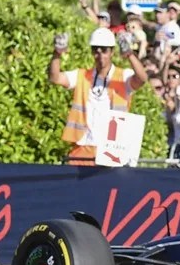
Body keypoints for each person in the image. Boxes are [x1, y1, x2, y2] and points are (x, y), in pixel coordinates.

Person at [49, 28, 147, 164]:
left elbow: (141, 78)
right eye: (96, 49)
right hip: (84, 146)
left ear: (112, 52)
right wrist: (57, 53)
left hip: (112, 149)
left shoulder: (123, 76)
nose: (100, 54)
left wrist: (129, 54)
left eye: (104, 50)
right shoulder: (82, 75)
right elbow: (55, 78)